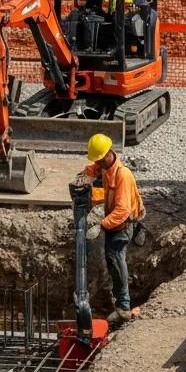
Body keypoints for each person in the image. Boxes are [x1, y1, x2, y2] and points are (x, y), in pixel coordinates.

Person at [74, 133, 145, 326]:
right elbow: (94, 169)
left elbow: (122, 211)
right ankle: (120, 301)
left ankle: (123, 307)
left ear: (107, 155)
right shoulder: (106, 166)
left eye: (98, 159)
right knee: (110, 257)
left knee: (115, 258)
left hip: (124, 223)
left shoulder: (122, 175)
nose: (97, 163)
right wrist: (85, 174)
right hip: (117, 219)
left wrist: (101, 225)